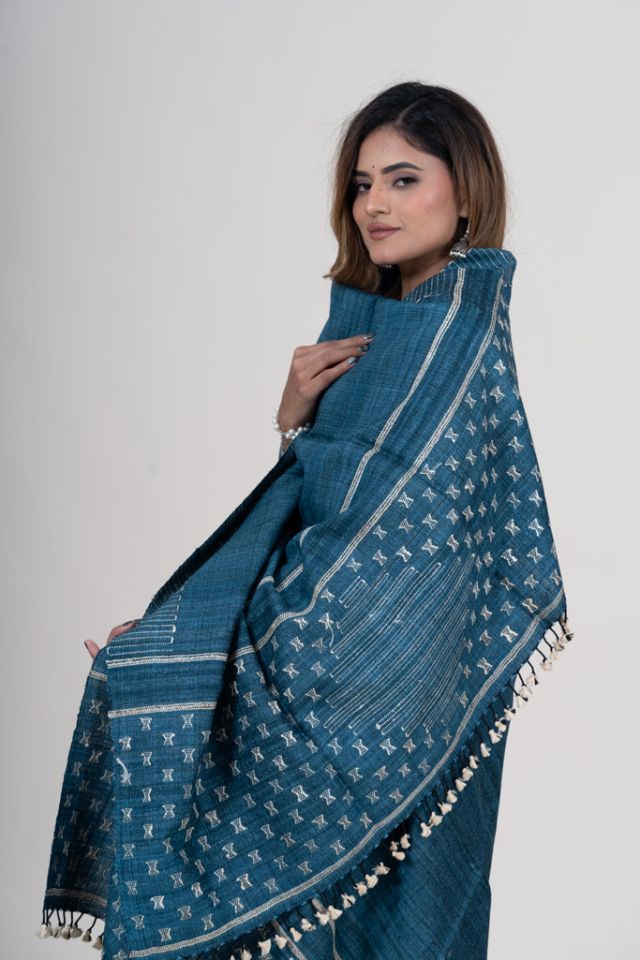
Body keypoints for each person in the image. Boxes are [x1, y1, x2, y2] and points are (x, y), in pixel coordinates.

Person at [43, 82, 573, 960]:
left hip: (399, 695)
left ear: (466, 193)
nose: (374, 205)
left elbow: (388, 564)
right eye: (362, 184)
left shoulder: (454, 341)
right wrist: (293, 420)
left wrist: (188, 658)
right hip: (358, 685)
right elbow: (328, 511)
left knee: (389, 919)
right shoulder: (369, 333)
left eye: (403, 179)